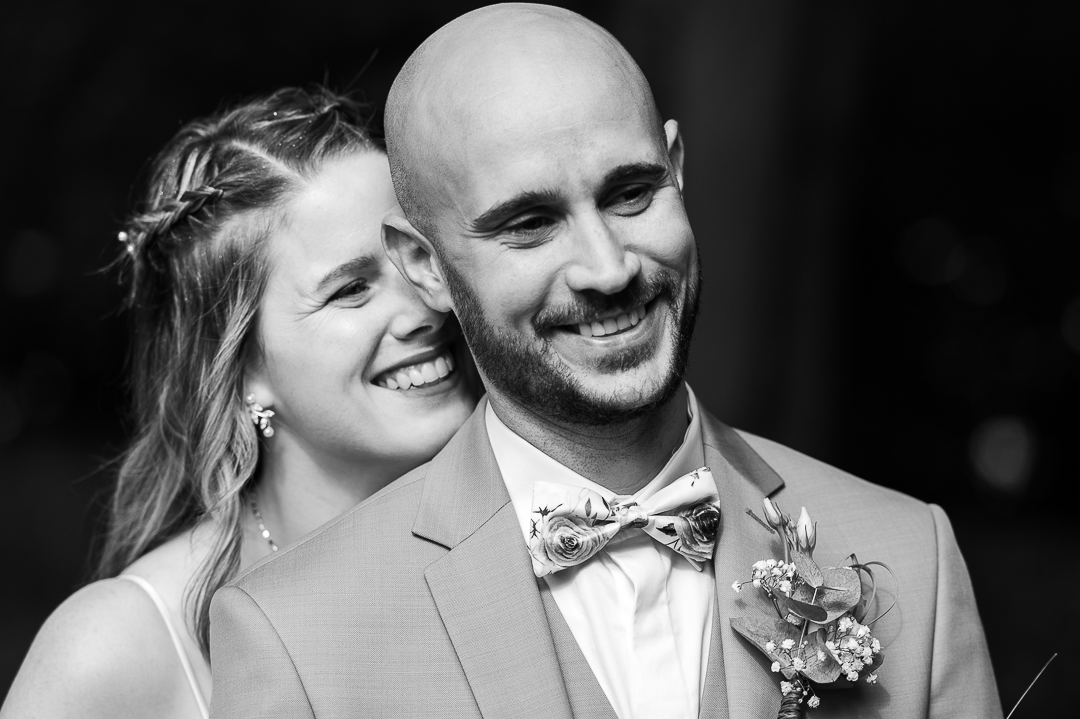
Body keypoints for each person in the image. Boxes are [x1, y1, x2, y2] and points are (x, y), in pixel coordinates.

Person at [209, 5, 1002, 718]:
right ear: (424, 264)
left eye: (630, 194)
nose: (607, 267)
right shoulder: (298, 636)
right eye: (529, 223)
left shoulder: (912, 561)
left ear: (677, 167)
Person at [0, 86, 477, 719]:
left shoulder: (518, 545)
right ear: (243, 368)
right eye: (351, 289)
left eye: (421, 257)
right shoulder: (118, 649)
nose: (427, 308)